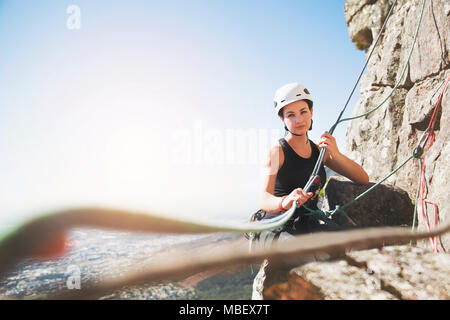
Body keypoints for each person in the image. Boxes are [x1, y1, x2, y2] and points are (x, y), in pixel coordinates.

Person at [251, 82, 369, 299]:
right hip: (277, 224)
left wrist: (337, 154)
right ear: (282, 119)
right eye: (291, 115)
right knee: (310, 261)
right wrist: (285, 201)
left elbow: (362, 178)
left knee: (353, 247)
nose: (299, 120)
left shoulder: (318, 151)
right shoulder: (277, 151)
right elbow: (263, 199)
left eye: (303, 112)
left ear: (312, 111)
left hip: (307, 221)